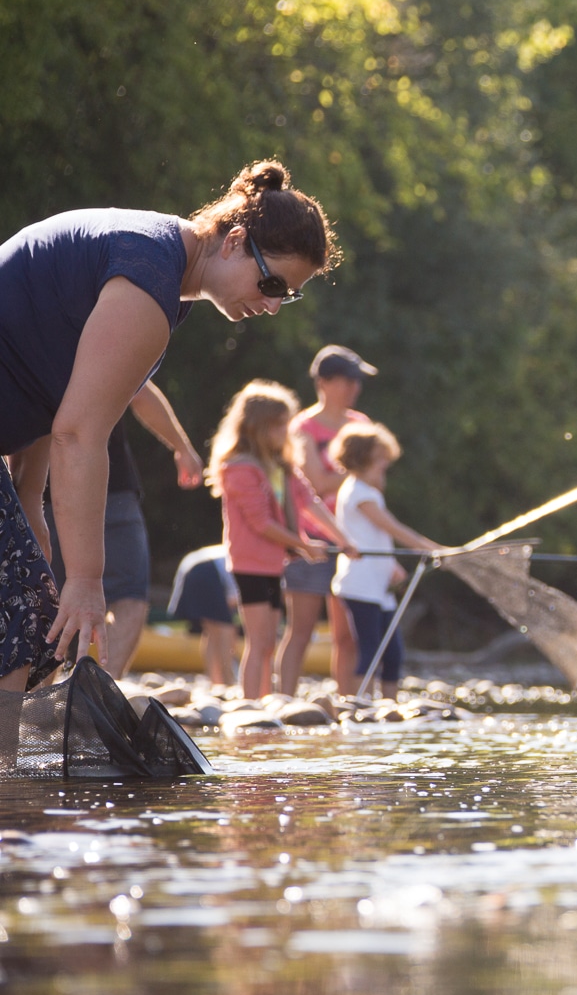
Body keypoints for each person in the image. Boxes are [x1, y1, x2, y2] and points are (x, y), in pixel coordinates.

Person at [0, 159, 338, 690]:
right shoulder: (148, 274)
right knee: (20, 631)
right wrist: (86, 580)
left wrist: (28, 496)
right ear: (234, 240)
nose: (273, 305)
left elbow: (46, 373)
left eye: (287, 294)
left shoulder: (158, 267)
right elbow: (79, 434)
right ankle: (13, 769)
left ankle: (17, 767)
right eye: (271, 281)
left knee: (28, 625)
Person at [41, 382, 206, 678]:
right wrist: (181, 447)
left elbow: (139, 390)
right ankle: (102, 690)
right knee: (128, 594)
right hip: (94, 487)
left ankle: (45, 702)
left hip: (48, 485)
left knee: (44, 596)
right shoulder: (94, 336)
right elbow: (140, 391)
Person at [209, 380, 347, 700]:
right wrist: (303, 545)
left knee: (269, 640)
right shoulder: (239, 468)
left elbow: (309, 502)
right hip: (250, 564)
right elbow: (262, 524)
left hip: (273, 564)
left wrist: (344, 540)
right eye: (279, 425)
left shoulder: (280, 466)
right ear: (259, 427)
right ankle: (251, 705)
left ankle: (263, 701)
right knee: (259, 641)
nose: (287, 431)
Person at [283, 345, 375, 694]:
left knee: (346, 633)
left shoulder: (361, 424)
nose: (354, 387)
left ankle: (347, 702)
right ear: (323, 382)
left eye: (357, 381)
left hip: (353, 539)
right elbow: (315, 482)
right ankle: (284, 699)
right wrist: (357, 470)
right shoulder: (302, 426)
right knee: (301, 629)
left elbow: (374, 481)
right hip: (311, 540)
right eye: (347, 380)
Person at [329, 423, 439, 697]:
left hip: (379, 587)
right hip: (360, 585)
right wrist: (437, 550)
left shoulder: (369, 492)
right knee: (370, 651)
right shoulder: (358, 492)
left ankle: (388, 713)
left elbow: (374, 537)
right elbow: (393, 528)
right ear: (362, 460)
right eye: (380, 460)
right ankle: (357, 708)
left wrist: (391, 565)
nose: (385, 466)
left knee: (393, 655)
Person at [167, 543, 238, 686]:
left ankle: (216, 680)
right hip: (207, 571)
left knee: (211, 630)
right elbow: (234, 597)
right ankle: (228, 680)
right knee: (226, 630)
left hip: (189, 567)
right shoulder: (250, 560)